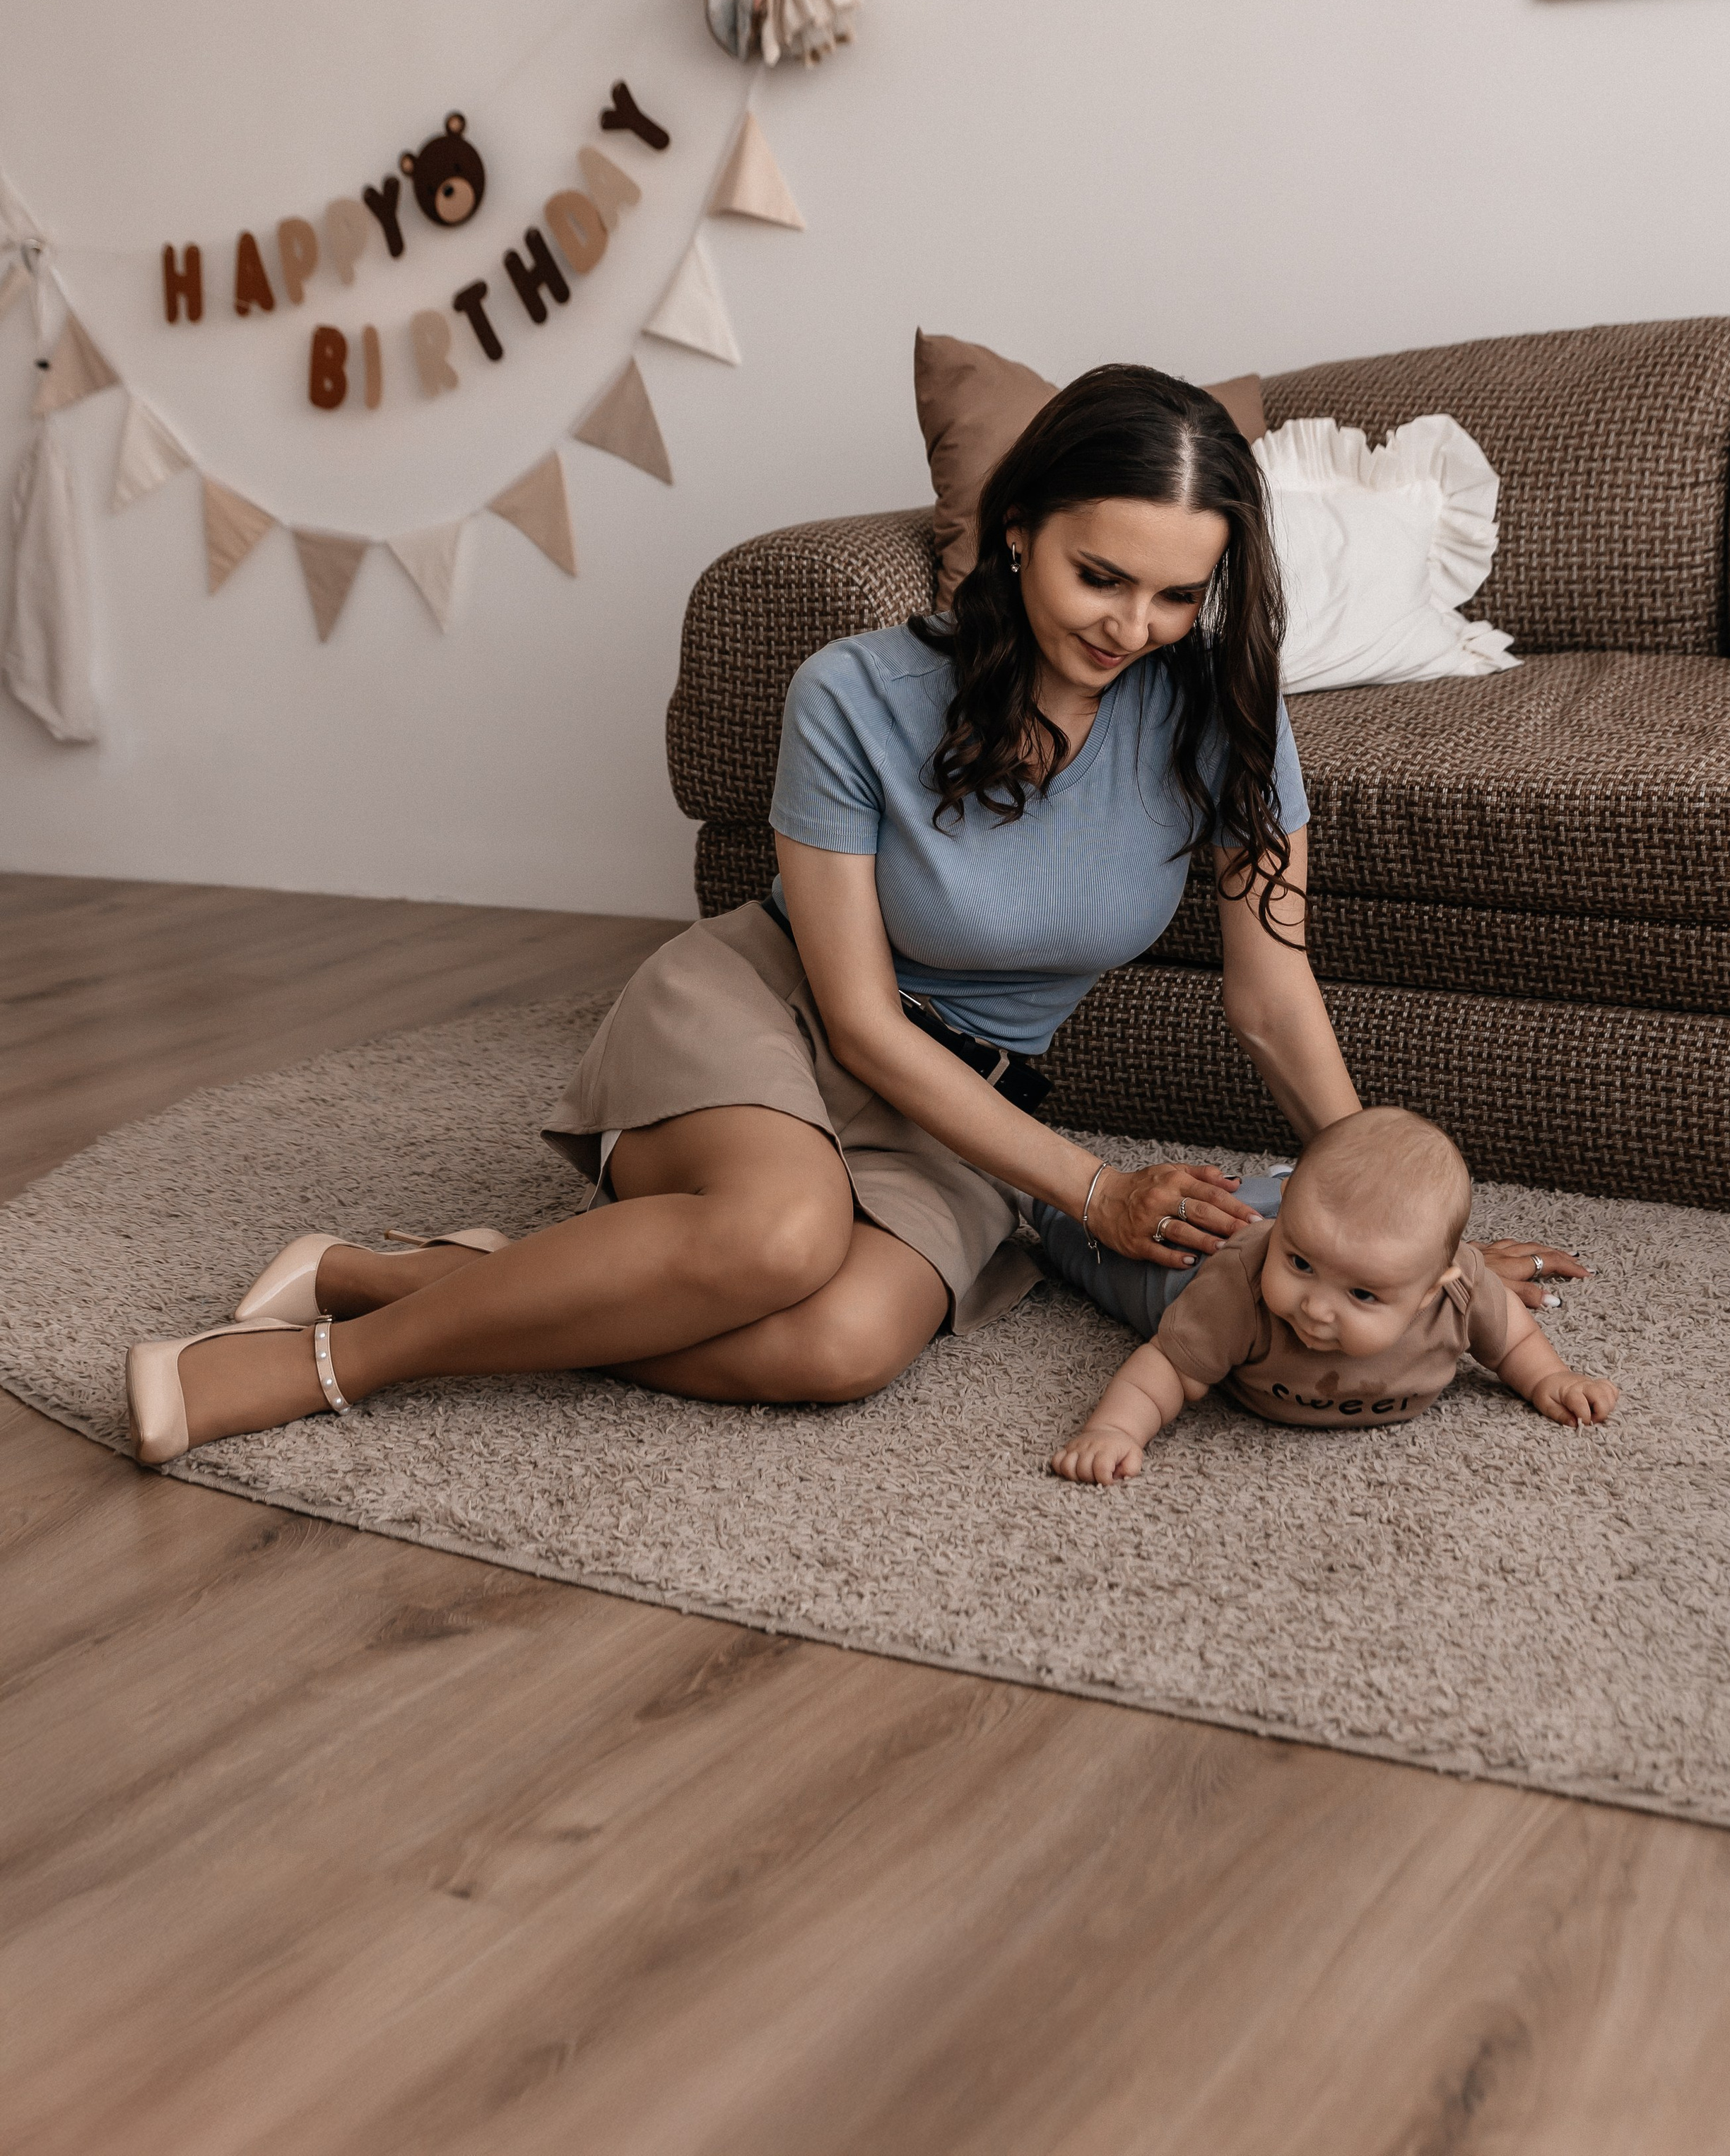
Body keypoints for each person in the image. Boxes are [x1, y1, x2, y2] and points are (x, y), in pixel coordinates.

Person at [124, 365, 1580, 1466]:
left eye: (1172, 596)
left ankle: (429, 1275)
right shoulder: (853, 691)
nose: (1127, 629)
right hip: (777, 1013)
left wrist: (1393, 1227)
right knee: (771, 1238)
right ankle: (336, 1367)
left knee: (832, 1343)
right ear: (1017, 531)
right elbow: (861, 1018)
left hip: (967, 1098)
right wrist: (1087, 1190)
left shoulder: (1228, 727)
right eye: (1097, 574)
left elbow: (1271, 999)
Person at [1048, 1108, 1619, 1488]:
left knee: (1323, 1225)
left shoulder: (1464, 1287)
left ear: (1432, 1289)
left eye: (1364, 1293)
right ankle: (1029, 1200)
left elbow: (1514, 1339)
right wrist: (1114, 1431)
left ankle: (1284, 1199)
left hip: (1297, 1217)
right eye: (1300, 1266)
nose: (1316, 1308)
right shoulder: (1240, 1287)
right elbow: (1165, 1370)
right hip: (1192, 1270)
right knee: (1088, 1250)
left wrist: (1551, 1379)